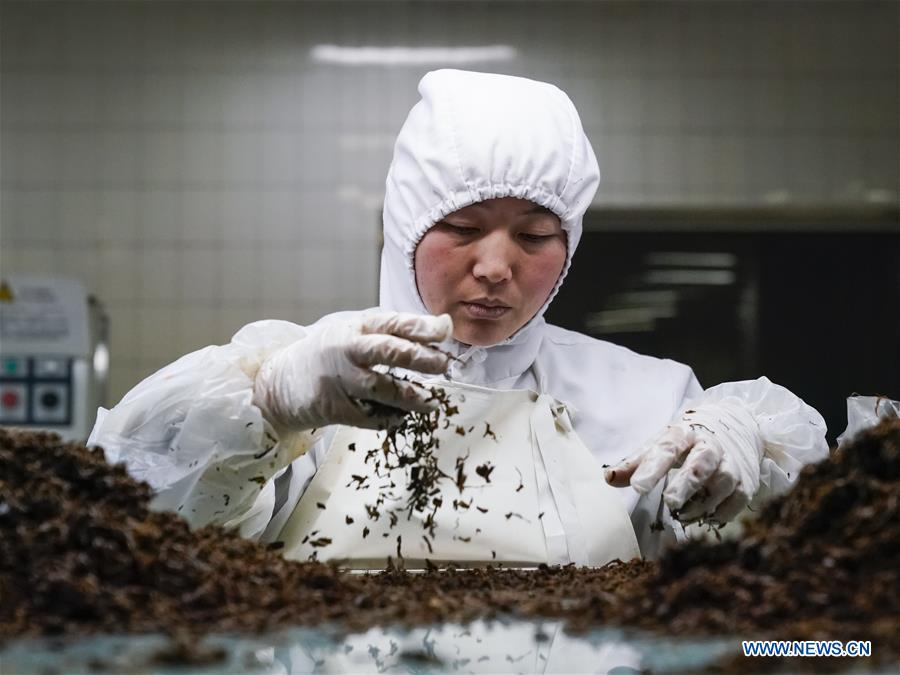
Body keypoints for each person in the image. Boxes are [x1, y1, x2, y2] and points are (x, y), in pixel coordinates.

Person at [89, 70, 827, 566]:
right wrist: (268, 407)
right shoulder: (304, 378)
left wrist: (749, 455)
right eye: (465, 227)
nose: (497, 266)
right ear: (405, 226)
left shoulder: (648, 399)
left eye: (536, 237)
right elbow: (123, 530)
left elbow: (774, 597)